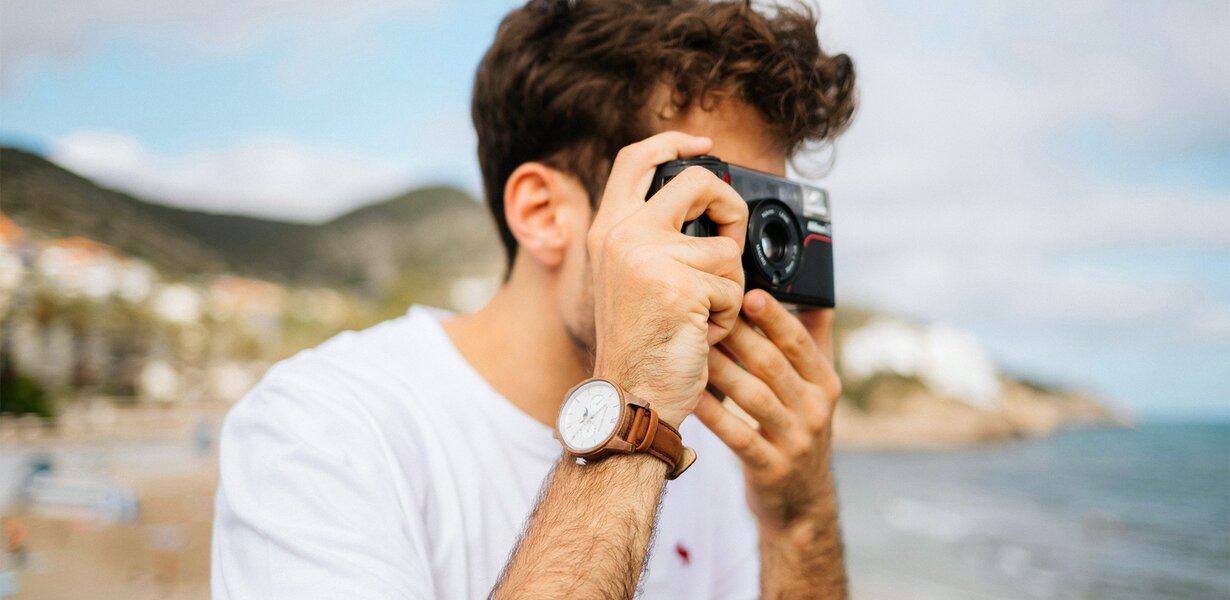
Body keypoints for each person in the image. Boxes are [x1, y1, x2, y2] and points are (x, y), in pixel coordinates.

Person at [211, 1, 856, 598]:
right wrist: (634, 416)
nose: (737, 258)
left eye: (763, 217)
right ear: (543, 213)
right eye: (709, 208)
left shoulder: (708, 444)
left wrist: (800, 521)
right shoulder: (323, 430)